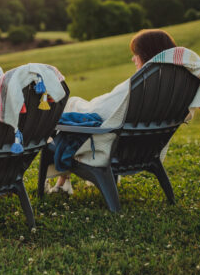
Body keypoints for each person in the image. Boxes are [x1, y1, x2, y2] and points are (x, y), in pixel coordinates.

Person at [47, 28, 177, 194]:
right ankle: (62, 183)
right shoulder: (173, 87)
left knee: (71, 106)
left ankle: (61, 184)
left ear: (147, 54)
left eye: (136, 54)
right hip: (146, 149)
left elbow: (102, 110)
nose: (133, 58)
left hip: (115, 150)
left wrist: (76, 105)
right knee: (76, 107)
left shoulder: (139, 85)